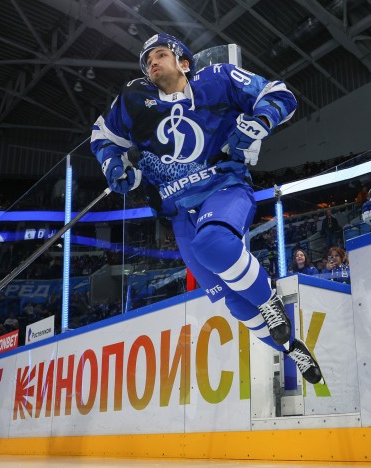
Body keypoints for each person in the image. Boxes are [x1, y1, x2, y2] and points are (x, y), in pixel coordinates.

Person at [90, 33, 322, 384]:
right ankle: (292, 348)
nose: (152, 62)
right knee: (234, 301)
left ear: (184, 62)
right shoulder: (133, 98)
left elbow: (279, 94)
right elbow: (101, 137)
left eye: (160, 54)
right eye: (147, 60)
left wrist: (261, 121)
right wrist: (112, 164)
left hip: (223, 188)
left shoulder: (218, 78)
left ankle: (269, 300)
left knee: (213, 244)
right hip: (178, 213)